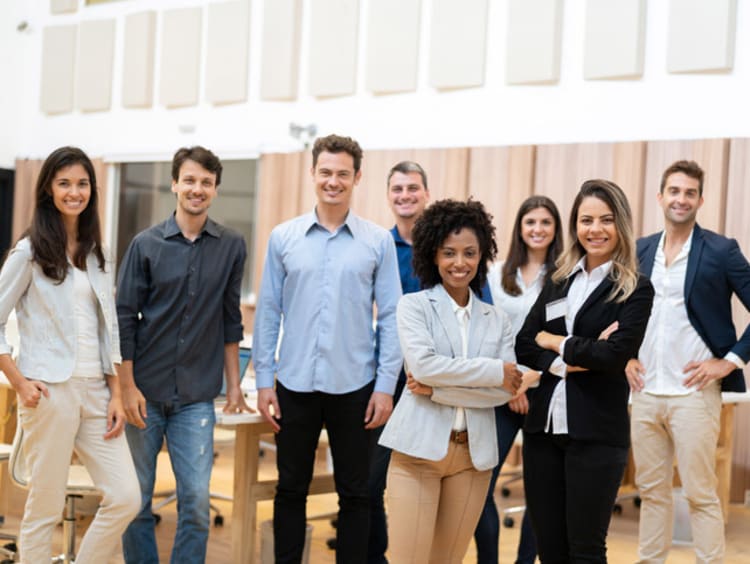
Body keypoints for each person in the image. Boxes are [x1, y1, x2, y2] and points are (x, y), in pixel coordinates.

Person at [253, 134, 403, 564]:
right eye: (325, 172)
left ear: (357, 178)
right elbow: (268, 312)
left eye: (342, 174)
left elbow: (390, 317)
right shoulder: (284, 238)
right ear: (312, 175)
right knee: (289, 490)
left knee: (356, 495)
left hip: (356, 386)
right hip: (293, 384)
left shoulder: (377, 242)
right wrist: (265, 380)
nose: (333, 181)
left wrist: (385, 387)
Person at [0, 146, 140, 563]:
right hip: (49, 393)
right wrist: (20, 381)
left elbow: (107, 328)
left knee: (126, 497)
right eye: (64, 184)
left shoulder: (98, 252)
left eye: (81, 184)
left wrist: (116, 392)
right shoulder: (29, 251)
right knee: (44, 509)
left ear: (91, 191)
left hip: (96, 392)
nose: (74, 192)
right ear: (48, 189)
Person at [117, 146, 250, 564]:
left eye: (206, 183)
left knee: (194, 503)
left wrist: (234, 387)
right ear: (175, 183)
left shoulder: (231, 245)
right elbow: (124, 318)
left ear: (215, 190)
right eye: (189, 180)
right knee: (135, 500)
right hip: (145, 392)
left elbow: (230, 320)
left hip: (196, 398)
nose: (197, 189)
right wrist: (127, 387)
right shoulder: (145, 244)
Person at [515, 179, 654, 562]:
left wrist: (555, 341)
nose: (595, 229)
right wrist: (573, 360)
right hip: (543, 432)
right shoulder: (559, 280)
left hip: (596, 433)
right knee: (550, 549)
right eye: (586, 219)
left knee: (586, 550)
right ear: (575, 224)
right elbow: (525, 342)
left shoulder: (635, 288)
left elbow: (614, 357)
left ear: (620, 225)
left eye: (606, 220)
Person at [379, 198, 523, 564]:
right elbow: (424, 367)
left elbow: (503, 391)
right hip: (417, 454)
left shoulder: (497, 319)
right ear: (433, 256)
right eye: (449, 253)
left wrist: (438, 389)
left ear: (482, 256)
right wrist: (492, 371)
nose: (460, 263)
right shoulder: (414, 307)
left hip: (472, 460)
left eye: (470, 253)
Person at [626, 160, 750, 563]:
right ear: (660, 197)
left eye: (689, 192)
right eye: (674, 191)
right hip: (644, 393)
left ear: (700, 199)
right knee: (653, 493)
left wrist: (728, 361)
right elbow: (621, 313)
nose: (681, 199)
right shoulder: (640, 249)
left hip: (694, 394)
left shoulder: (721, 250)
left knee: (700, 493)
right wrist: (623, 356)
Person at [475, 195, 563, 564]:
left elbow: (561, 335)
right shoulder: (496, 275)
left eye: (545, 222)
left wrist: (531, 379)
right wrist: (511, 381)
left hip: (548, 389)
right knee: (479, 486)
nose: (537, 229)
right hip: (502, 388)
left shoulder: (564, 278)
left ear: (556, 229)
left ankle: (526, 561)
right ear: (520, 228)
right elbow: (489, 331)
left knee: (541, 492)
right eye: (531, 222)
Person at [368, 160, 430, 563]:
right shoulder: (376, 244)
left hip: (432, 384)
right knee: (370, 482)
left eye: (413, 188)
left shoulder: (444, 247)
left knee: (426, 486)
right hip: (384, 379)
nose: (405, 196)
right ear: (388, 195)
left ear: (426, 193)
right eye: (397, 189)